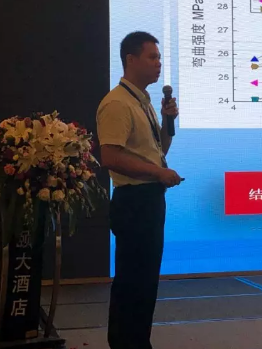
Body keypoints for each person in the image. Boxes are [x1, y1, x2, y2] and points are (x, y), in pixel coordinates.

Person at [96, 31, 182, 349]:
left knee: (145, 283)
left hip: (149, 199)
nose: (158, 63)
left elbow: (157, 151)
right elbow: (110, 157)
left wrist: (167, 122)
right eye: (152, 57)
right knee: (132, 283)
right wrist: (158, 173)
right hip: (133, 201)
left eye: (159, 57)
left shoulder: (142, 101)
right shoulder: (117, 103)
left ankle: (137, 343)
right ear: (130, 60)